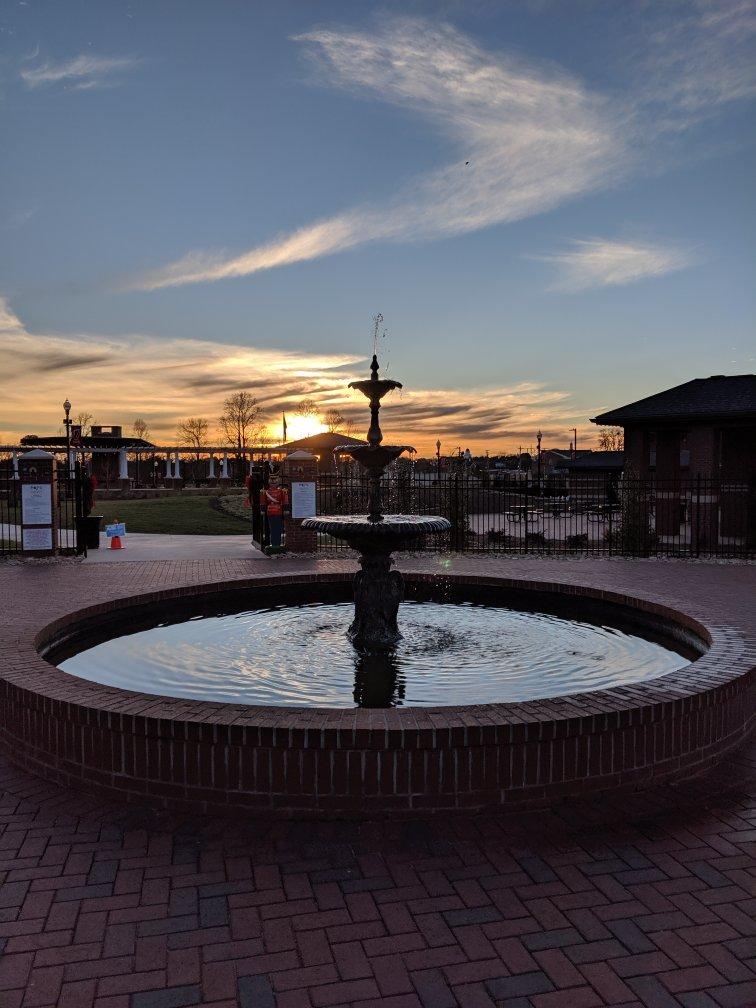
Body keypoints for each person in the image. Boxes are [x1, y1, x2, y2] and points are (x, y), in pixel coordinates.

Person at [260, 475, 289, 549]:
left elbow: (285, 500)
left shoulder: (282, 491)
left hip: (278, 511)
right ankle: (273, 543)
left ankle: (277, 543)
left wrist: (286, 509)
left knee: (278, 528)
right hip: (270, 511)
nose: (273, 482)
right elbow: (263, 502)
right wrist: (262, 509)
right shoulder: (265, 492)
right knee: (272, 528)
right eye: (271, 480)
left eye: (275, 480)